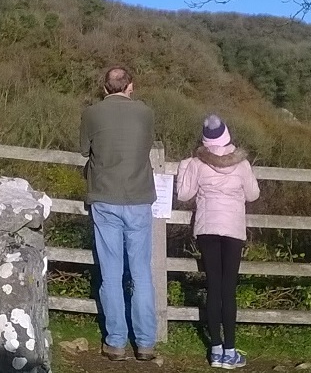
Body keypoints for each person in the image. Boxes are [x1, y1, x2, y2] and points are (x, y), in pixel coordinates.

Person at [80, 66, 157, 361]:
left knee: (110, 274)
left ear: (104, 88)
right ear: (131, 86)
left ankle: (115, 342)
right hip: (138, 197)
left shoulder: (92, 112)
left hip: (104, 196)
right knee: (140, 272)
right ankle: (146, 343)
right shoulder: (145, 113)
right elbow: (146, 144)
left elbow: (83, 150)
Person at [176, 114, 260, 369]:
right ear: (227, 135)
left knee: (213, 287)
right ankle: (230, 350)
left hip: (207, 228)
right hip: (233, 229)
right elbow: (253, 195)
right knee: (228, 288)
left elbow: (184, 194)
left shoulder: (196, 163)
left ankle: (215, 349)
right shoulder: (242, 164)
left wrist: (184, 167)